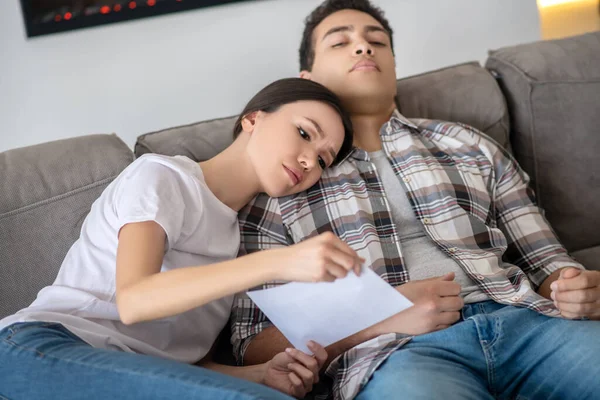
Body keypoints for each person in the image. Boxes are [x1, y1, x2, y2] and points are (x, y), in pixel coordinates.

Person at [230, 2, 600, 400]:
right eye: (341, 42)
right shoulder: (283, 178)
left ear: (392, 64)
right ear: (307, 78)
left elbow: (547, 261)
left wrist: (573, 288)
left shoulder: (469, 144)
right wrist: (376, 313)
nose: (363, 48)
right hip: (395, 355)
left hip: (527, 326)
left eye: (377, 41)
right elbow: (252, 345)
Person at [0, 77, 363, 400]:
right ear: (253, 118)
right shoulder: (163, 176)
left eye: (322, 159)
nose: (308, 162)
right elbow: (135, 299)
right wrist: (281, 261)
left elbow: (182, 363)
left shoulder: (235, 241)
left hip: (123, 373)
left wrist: (258, 375)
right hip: (43, 347)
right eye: (303, 133)